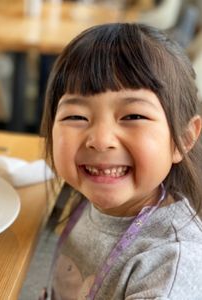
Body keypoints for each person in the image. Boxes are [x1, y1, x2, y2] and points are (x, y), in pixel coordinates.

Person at [40, 23, 202, 299]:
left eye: (133, 116)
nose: (101, 140)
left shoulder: (170, 265)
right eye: (76, 117)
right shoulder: (88, 192)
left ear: (183, 139)